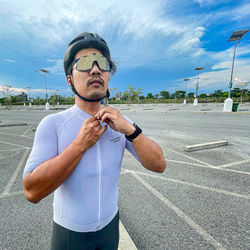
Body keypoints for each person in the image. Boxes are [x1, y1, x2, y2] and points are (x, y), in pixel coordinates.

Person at [23, 32, 166, 250]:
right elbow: (32, 191)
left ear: (108, 75)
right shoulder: (53, 124)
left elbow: (159, 165)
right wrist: (80, 145)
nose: (96, 69)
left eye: (103, 64)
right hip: (70, 234)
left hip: (110, 227)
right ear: (69, 79)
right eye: (86, 63)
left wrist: (130, 130)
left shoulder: (121, 122)